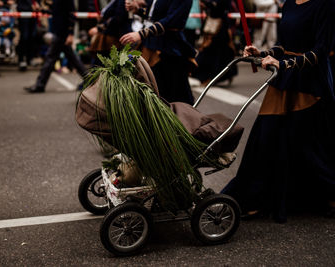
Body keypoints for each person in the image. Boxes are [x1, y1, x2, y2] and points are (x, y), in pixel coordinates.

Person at [221, 0, 335, 223]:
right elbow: (283, 45)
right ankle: (253, 199)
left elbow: (321, 51)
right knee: (264, 139)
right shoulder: (290, 3)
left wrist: (284, 65)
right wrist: (263, 52)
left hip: (311, 85)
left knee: (309, 145)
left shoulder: (326, 5)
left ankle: (328, 194)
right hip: (285, 80)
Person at [120, 0, 196, 105]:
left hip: (169, 49)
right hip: (151, 44)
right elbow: (155, 14)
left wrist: (141, 34)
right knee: (152, 89)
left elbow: (172, 20)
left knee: (175, 95)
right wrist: (138, 10)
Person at [24, 0, 86, 93]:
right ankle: (90, 79)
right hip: (60, 32)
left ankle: (40, 84)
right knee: (72, 59)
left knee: (51, 57)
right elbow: (57, 12)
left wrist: (70, 33)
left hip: (62, 33)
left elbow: (72, 14)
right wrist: (43, 10)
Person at [191, 0, 237, 86]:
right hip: (213, 25)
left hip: (219, 28)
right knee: (215, 53)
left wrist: (207, 4)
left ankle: (211, 77)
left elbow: (222, 6)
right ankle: (223, 75)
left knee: (214, 54)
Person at [16, 0, 40, 71]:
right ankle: (21, 59)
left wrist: (37, 4)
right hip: (24, 10)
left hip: (34, 13)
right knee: (24, 36)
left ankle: (29, 59)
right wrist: (31, 4)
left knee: (32, 36)